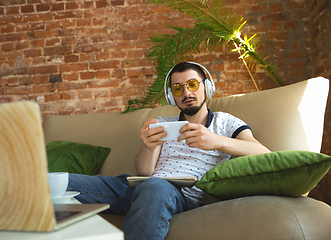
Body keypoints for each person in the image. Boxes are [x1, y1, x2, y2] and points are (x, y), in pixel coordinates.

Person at [67, 62, 270, 240]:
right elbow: (144, 174)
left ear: (206, 87)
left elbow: (264, 153)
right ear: (172, 96)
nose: (186, 93)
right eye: (178, 88)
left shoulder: (225, 122)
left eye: (192, 85)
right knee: (57, 181)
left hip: (180, 196)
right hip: (139, 188)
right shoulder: (163, 124)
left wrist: (216, 141)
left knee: (156, 187)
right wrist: (149, 146)